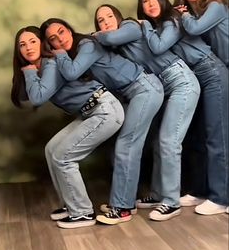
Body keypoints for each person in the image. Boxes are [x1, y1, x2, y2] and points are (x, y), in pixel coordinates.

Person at [40, 17, 164, 226]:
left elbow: (71, 73)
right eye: (53, 39)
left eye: (61, 31)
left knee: (127, 145)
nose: (59, 40)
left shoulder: (87, 45)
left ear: (70, 29)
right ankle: (126, 202)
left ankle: (122, 208)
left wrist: (59, 55)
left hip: (144, 88)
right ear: (48, 44)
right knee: (121, 147)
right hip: (129, 95)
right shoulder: (76, 54)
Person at [93, 3, 200, 221]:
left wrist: (93, 36)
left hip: (181, 82)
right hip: (162, 86)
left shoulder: (132, 26)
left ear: (119, 17)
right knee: (157, 142)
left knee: (169, 142)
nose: (105, 22)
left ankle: (171, 202)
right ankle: (159, 194)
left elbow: (110, 38)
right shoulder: (120, 46)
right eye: (100, 21)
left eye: (109, 16)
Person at [11, 25, 125, 229]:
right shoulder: (40, 67)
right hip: (91, 112)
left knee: (63, 156)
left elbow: (37, 98)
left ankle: (82, 212)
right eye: (22, 45)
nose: (28, 47)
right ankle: (70, 204)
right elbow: (25, 94)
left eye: (33, 41)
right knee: (52, 149)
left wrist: (29, 73)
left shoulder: (51, 64)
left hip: (105, 109)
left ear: (43, 43)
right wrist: (30, 73)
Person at [140, 0, 228, 215]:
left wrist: (145, 27)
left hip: (212, 73)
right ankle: (200, 190)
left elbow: (158, 48)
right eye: (144, 1)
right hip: (196, 79)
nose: (150, 4)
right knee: (196, 138)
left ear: (163, 0)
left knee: (216, 137)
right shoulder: (160, 27)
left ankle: (221, 197)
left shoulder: (173, 20)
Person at [174, 0, 229, 68]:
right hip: (221, 66)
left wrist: (184, 14)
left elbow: (195, 29)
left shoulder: (216, 5)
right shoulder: (192, 16)